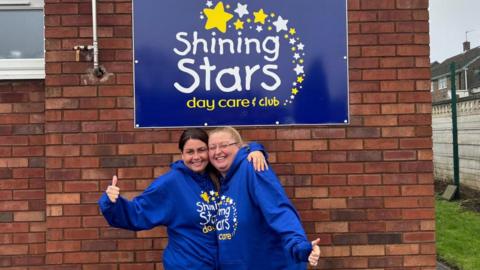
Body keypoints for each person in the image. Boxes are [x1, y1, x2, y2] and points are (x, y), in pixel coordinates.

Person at [98, 128, 266, 269]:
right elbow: (137, 213)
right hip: (186, 265)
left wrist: (255, 149)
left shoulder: (220, 176)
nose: (196, 157)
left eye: (201, 150)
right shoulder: (171, 183)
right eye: (189, 152)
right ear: (182, 154)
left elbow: (233, 150)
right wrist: (111, 202)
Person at [208, 126, 321, 269]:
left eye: (224, 145)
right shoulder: (220, 180)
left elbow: (278, 210)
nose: (218, 152)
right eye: (212, 147)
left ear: (239, 147)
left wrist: (299, 245)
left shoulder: (254, 168)